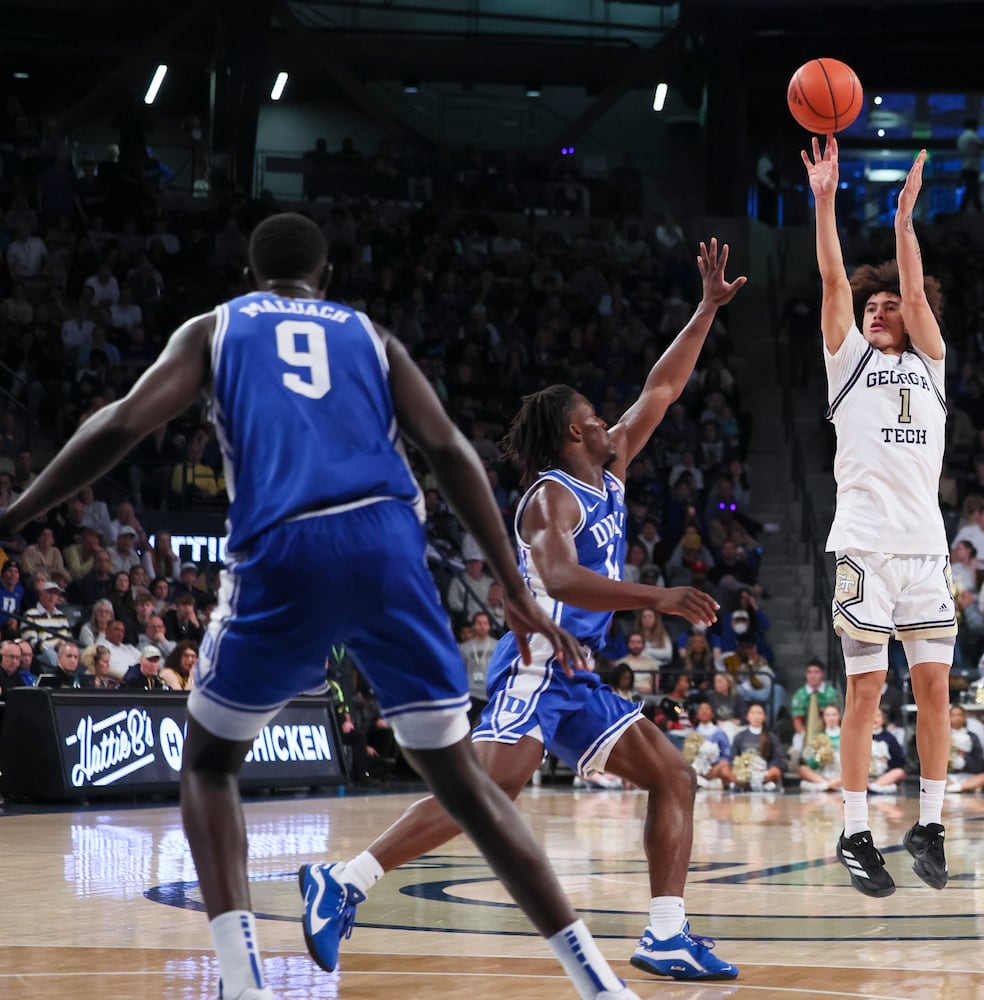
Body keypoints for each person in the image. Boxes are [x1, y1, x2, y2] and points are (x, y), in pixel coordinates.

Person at [0, 212, 638, 1000]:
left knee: (207, 763)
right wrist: (511, 582)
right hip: (388, 545)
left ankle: (242, 981)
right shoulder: (370, 336)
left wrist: (18, 512)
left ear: (249, 277)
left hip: (287, 542)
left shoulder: (217, 327)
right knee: (468, 786)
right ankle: (599, 984)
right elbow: (449, 451)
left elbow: (125, 421)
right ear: (327, 279)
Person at [304, 238, 743, 984]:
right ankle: (344, 881)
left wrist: (704, 309)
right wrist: (658, 596)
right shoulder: (549, 497)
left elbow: (662, 389)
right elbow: (564, 580)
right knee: (487, 793)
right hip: (538, 665)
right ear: (575, 431)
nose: (613, 422)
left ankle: (666, 934)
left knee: (674, 776)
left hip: (577, 674)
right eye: (598, 417)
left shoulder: (611, 469)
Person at [804, 136, 953, 897]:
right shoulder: (847, 365)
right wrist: (826, 198)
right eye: (873, 305)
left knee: (935, 693)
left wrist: (903, 224)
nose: (880, 311)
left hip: (926, 552)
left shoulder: (929, 366)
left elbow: (919, 298)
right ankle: (854, 830)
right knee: (865, 694)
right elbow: (832, 277)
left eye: (889, 304)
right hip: (864, 546)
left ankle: (929, 823)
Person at [728, 701, 785, 790]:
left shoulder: (771, 737)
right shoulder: (740, 736)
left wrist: (767, 768)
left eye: (759, 713)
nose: (756, 716)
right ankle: (746, 784)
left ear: (764, 717)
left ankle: (759, 784)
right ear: (747, 717)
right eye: (753, 713)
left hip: (763, 772)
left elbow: (778, 759)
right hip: (744, 772)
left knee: (775, 772)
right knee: (725, 770)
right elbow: (733, 757)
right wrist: (741, 769)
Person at [957, 117, 984, 212]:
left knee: (972, 189)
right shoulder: (972, 135)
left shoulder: (962, 137)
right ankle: (965, 210)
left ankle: (968, 209)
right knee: (972, 189)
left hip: (965, 166)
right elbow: (983, 144)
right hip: (972, 167)